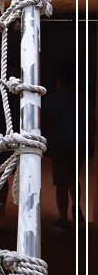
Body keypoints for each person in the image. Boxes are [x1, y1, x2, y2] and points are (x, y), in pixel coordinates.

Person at [42, 61, 94, 232]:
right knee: (74, 178)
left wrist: (51, 148)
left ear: (58, 78)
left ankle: (63, 219)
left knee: (61, 183)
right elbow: (93, 124)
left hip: (61, 145)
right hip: (79, 144)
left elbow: (51, 126)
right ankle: (76, 209)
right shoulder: (83, 101)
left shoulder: (52, 101)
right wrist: (88, 142)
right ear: (76, 80)